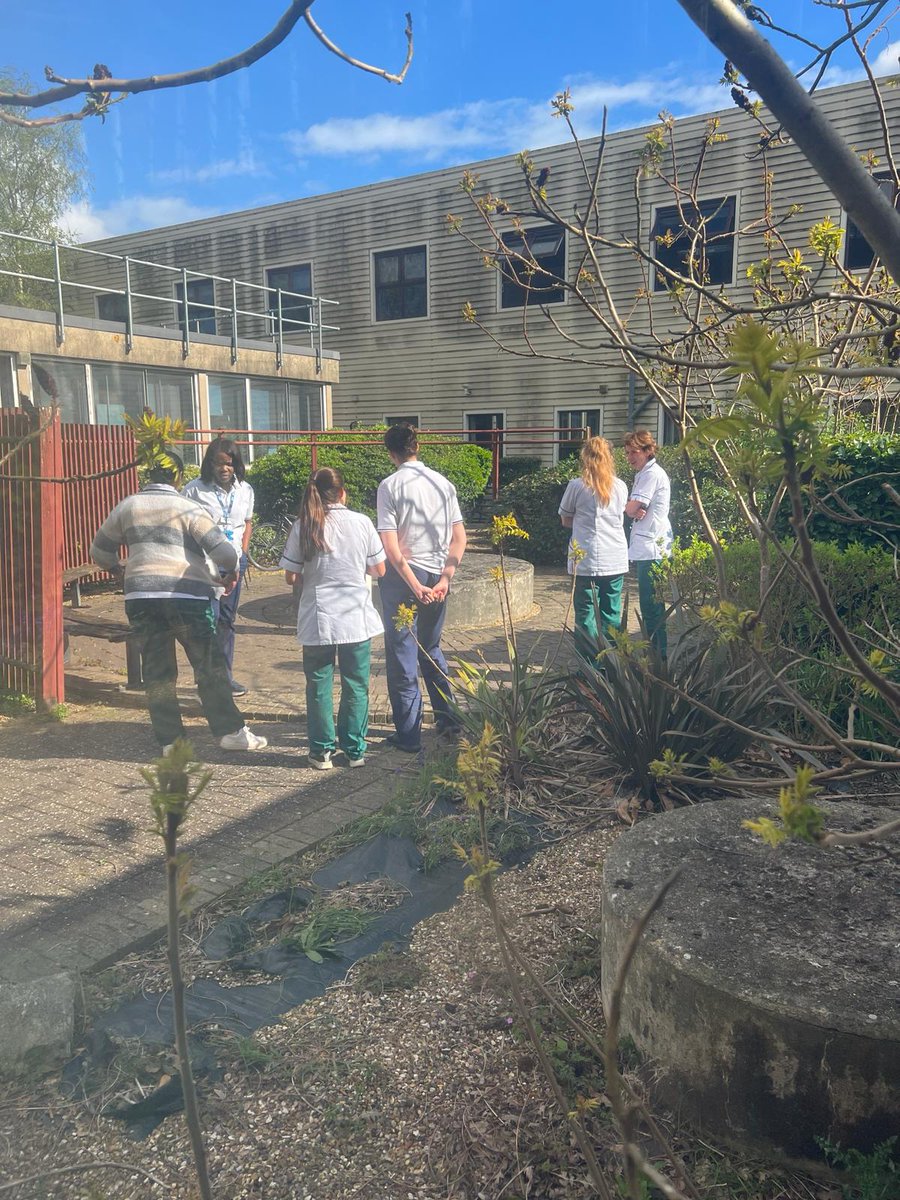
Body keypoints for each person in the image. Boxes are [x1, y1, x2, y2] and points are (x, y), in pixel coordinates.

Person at [90, 453, 268, 753]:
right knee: (208, 666)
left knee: (158, 672)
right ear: (177, 477)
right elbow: (224, 553)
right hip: (187, 598)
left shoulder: (128, 506)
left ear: (149, 475)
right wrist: (227, 574)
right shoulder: (187, 507)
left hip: (142, 599)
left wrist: (118, 571)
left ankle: (171, 742)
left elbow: (99, 551)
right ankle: (229, 733)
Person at [280, 468, 386, 770]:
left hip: (318, 617)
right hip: (355, 616)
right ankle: (354, 751)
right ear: (342, 493)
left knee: (318, 684)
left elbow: (291, 575)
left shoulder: (303, 525)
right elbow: (380, 570)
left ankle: (321, 751)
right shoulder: (362, 523)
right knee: (356, 685)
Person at [376, 422, 467, 752]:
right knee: (431, 647)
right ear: (417, 448)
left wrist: (413, 584)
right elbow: (460, 538)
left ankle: (410, 734)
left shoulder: (390, 486)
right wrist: (444, 579)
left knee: (402, 654)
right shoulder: (443, 484)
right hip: (437, 574)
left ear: (391, 453)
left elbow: (391, 546)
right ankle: (449, 718)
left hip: (405, 579)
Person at [182, 438, 255, 695]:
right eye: (219, 463)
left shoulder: (245, 489)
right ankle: (206, 681)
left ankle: (225, 677)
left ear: (236, 464)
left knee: (226, 620)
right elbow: (184, 527)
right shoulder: (194, 490)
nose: (224, 468)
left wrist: (243, 553)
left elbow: (247, 523)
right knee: (206, 620)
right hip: (205, 564)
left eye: (229, 463)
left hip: (234, 562)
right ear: (209, 464)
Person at [558, 436, 629, 663]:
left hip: (585, 558)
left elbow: (565, 519)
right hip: (615, 557)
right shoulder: (621, 486)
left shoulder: (577, 486)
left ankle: (589, 668)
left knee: (586, 614)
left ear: (585, 457)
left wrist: (582, 523)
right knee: (611, 614)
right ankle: (613, 666)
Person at [624, 429, 673, 659]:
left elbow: (633, 509)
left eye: (634, 452)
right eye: (627, 453)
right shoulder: (644, 474)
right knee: (652, 607)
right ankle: (657, 656)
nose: (630, 457)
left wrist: (630, 508)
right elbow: (636, 508)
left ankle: (658, 659)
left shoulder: (651, 475)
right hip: (650, 547)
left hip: (652, 549)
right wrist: (634, 508)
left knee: (651, 608)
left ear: (648, 450)